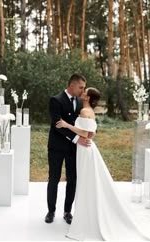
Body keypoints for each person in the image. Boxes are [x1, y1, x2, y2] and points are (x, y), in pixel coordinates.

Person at [55, 87, 150, 241]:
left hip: (85, 150)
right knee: (87, 182)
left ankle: (87, 217)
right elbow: (90, 131)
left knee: (86, 183)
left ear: (88, 98)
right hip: (85, 148)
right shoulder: (88, 111)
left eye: (85, 92)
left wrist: (67, 125)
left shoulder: (85, 112)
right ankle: (87, 213)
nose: (82, 93)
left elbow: (85, 133)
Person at [45, 73, 90, 225]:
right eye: (81, 87)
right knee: (54, 179)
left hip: (73, 149)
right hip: (56, 147)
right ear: (72, 85)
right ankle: (51, 211)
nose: (83, 91)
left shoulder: (79, 101)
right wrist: (78, 138)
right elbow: (57, 125)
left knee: (72, 180)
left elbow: (80, 123)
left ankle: (67, 212)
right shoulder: (55, 100)